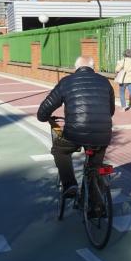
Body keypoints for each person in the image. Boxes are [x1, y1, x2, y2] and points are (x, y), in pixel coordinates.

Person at [37, 56, 115, 202]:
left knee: (60, 150)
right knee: (95, 167)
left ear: (76, 68)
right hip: (102, 134)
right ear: (93, 68)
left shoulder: (67, 82)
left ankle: (70, 185)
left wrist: (44, 117)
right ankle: (96, 206)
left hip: (75, 133)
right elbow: (110, 111)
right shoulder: (105, 82)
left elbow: (44, 109)